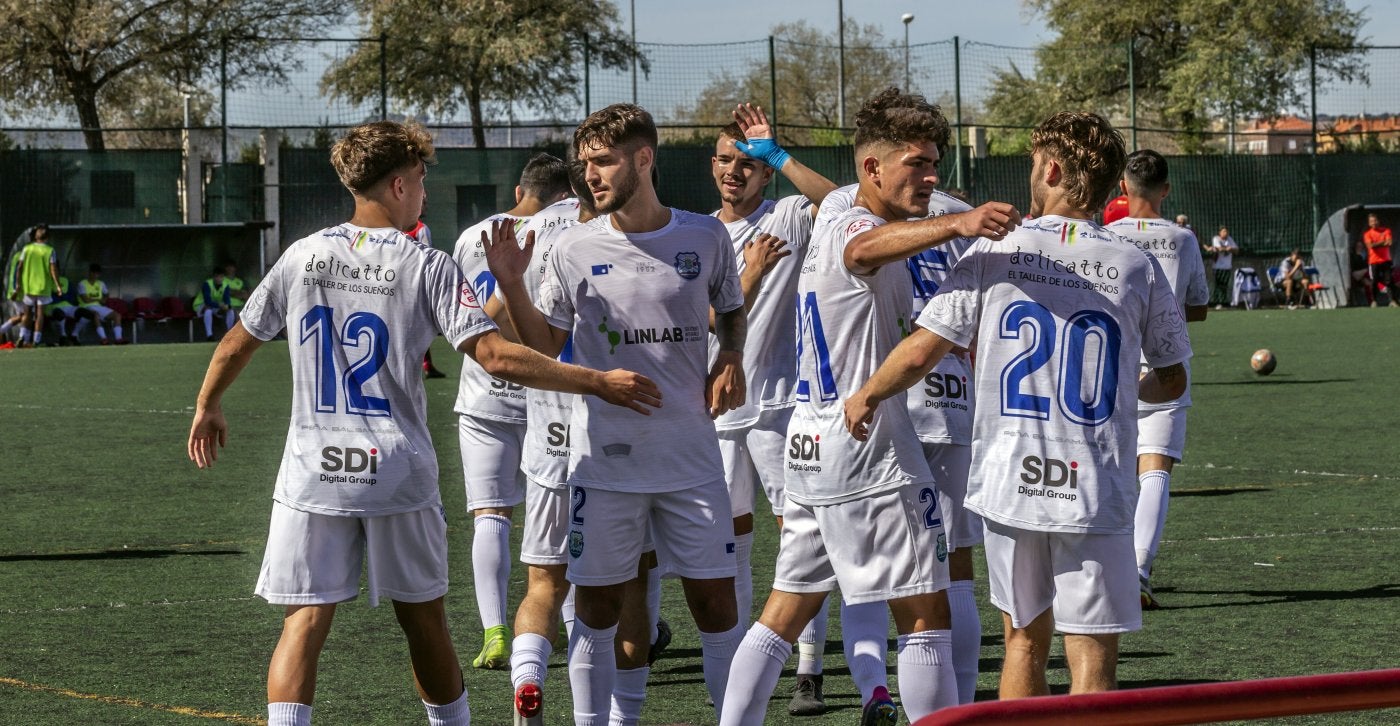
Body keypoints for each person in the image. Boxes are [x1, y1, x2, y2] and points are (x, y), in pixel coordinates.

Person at [185, 120, 661, 726]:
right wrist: (595, 380)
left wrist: (208, 404)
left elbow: (239, 340)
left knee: (302, 623)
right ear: (399, 182)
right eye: (422, 179)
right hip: (395, 472)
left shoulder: (302, 254)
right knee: (425, 622)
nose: (426, 192)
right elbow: (493, 355)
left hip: (312, 474)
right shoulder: (424, 264)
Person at [845, 112, 1190, 699]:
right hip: (1096, 481)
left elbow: (924, 350)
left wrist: (868, 394)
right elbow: (1172, 379)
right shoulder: (1138, 263)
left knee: (1023, 642)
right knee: (1093, 656)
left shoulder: (995, 253)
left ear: (1053, 169)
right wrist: (1119, 393)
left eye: (1035, 165)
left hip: (1012, 480)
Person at [721, 87, 1020, 726]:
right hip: (866, 440)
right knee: (925, 610)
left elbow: (829, 195)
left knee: (786, 608)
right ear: (874, 169)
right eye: (916, 163)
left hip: (809, 438)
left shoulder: (830, 208)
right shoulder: (856, 227)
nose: (932, 175)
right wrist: (960, 222)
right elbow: (862, 251)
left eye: (935, 162)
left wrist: (775, 154)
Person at [486, 103, 747, 725]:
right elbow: (545, 348)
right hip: (603, 467)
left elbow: (730, 305)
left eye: (603, 161)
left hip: (691, 460)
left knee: (716, 606)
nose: (591, 175)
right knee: (597, 607)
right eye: (585, 164)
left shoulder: (704, 237)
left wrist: (731, 352)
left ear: (643, 158)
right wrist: (513, 285)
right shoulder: (572, 246)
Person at [707, 102, 839, 715]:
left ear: (762, 176)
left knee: (801, 537)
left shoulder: (786, 214)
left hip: (784, 408)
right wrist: (749, 271)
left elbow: (838, 200)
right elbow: (703, 321)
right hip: (718, 411)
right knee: (729, 540)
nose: (734, 172)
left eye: (745, 164)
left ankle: (808, 666)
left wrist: (777, 154)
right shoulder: (700, 232)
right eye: (725, 161)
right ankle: (741, 658)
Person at [450, 152, 573, 671]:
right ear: (564, 194)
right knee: (569, 513)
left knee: (491, 515)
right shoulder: (566, 230)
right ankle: (569, 628)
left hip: (485, 391)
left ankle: (496, 632)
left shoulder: (469, 236)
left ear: (520, 189)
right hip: (551, 392)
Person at [1105, 150, 1209, 609]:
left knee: (1112, 470)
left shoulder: (1104, 234)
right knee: (1156, 469)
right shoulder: (1183, 239)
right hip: (1166, 367)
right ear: (1166, 190)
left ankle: (1102, 570)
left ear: (1122, 190)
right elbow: (1200, 307)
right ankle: (1140, 571)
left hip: (1111, 363)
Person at [404, 220, 449, 379]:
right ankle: (421, 366)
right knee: (419, 326)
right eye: (423, 200)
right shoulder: (421, 228)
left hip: (396, 282)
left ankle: (426, 366)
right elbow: (427, 256)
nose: (425, 203)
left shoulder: (392, 227)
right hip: (415, 284)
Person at [8, 223, 63, 348]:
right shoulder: (50, 250)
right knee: (40, 314)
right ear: (47, 237)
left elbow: (20, 267)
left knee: (27, 313)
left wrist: (18, 284)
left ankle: (22, 336)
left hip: (29, 286)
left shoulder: (27, 248)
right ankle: (36, 340)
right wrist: (58, 285)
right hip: (43, 287)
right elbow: (53, 269)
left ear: (36, 237)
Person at [73, 263, 129, 344]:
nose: (96, 275)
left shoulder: (101, 283)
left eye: (97, 273)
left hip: (98, 306)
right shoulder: (82, 284)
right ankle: (104, 338)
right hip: (85, 307)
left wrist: (105, 299)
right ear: (89, 273)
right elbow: (85, 300)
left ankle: (119, 338)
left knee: (117, 315)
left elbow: (106, 294)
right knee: (96, 315)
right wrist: (99, 299)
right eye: (94, 273)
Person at [194, 267, 236, 341]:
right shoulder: (207, 284)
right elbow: (207, 301)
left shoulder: (225, 285)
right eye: (217, 276)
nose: (219, 279)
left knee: (230, 311)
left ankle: (230, 335)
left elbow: (227, 300)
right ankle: (209, 336)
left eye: (221, 277)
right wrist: (220, 306)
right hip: (201, 305)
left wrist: (226, 306)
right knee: (208, 310)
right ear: (213, 277)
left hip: (215, 306)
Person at [1362, 212, 1393, 307]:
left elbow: (1389, 243)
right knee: (1374, 281)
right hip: (1374, 262)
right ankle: (1374, 301)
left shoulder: (1386, 230)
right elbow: (1370, 246)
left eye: (1375, 221)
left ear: (1378, 221)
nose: (1374, 223)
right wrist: (1383, 242)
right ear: (1369, 223)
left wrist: (1376, 244)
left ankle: (1392, 301)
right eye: (1371, 221)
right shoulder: (1367, 234)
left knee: (1389, 281)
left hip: (1386, 260)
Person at [1207, 226, 1238, 309]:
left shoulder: (1229, 239)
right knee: (1218, 285)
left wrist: (1231, 249)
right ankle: (1217, 302)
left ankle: (1224, 302)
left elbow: (1236, 249)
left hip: (1227, 267)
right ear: (1219, 232)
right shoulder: (1216, 239)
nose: (1226, 233)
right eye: (1224, 231)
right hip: (1218, 267)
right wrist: (1227, 249)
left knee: (1225, 285)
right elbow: (1219, 249)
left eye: (1227, 231)